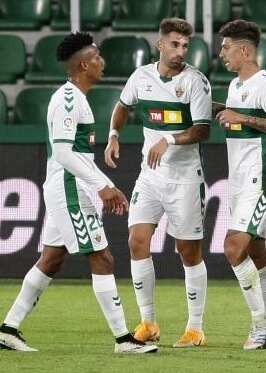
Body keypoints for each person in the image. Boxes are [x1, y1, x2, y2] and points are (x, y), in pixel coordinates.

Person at [0, 32, 157, 354]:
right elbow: (63, 152)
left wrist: (100, 182)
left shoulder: (75, 98)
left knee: (52, 259)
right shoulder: (69, 99)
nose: (103, 61)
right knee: (102, 257)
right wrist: (103, 186)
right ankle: (123, 339)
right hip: (69, 187)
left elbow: (74, 154)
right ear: (84, 64)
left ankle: (8, 329)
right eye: (98, 57)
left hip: (68, 185)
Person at [104, 18, 212, 348]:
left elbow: (202, 130)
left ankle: (195, 329)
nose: (180, 51)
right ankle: (148, 323)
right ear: (160, 44)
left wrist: (167, 139)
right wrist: (113, 135)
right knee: (137, 241)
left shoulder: (196, 82)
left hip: (184, 180)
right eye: (175, 44)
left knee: (188, 251)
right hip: (150, 177)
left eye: (185, 46)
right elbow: (122, 107)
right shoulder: (141, 77)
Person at [216, 19, 266, 350]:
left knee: (233, 248)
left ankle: (260, 327)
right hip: (238, 182)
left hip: (260, 181)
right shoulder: (236, 85)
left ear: (245, 50)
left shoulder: (265, 84)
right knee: (257, 259)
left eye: (226, 47)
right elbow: (234, 115)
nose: (221, 53)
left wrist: (243, 117)